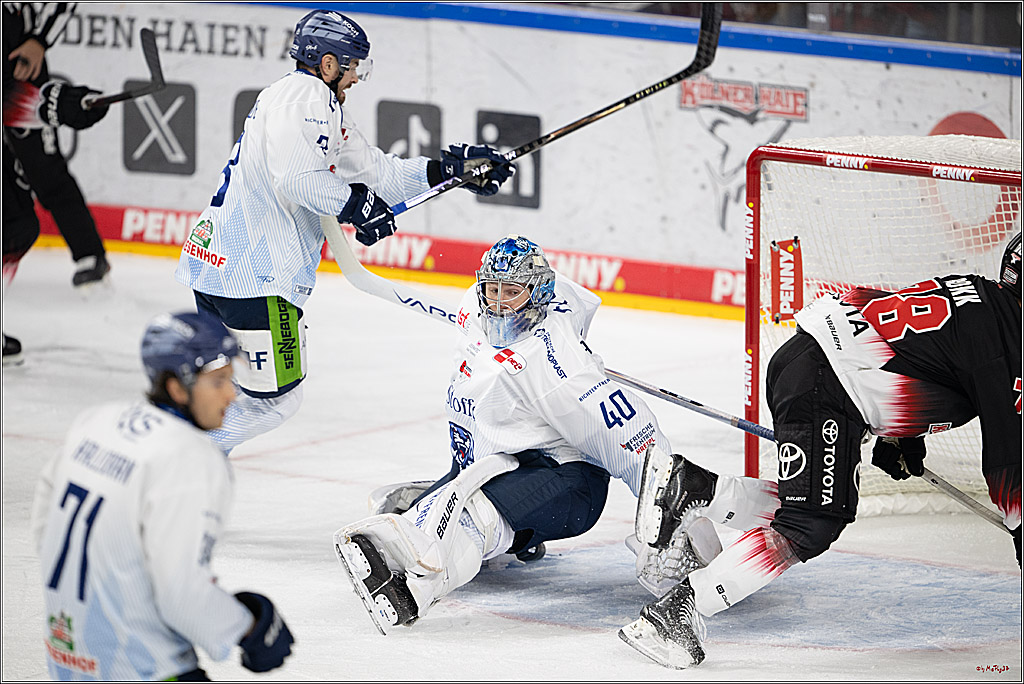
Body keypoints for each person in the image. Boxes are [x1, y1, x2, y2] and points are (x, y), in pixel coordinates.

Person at [618, 231, 1023, 669]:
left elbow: (916, 348)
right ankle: (675, 613)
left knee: (811, 501)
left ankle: (696, 488)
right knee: (812, 524)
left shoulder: (978, 293)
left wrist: (900, 436)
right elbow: (1010, 459)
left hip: (805, 360)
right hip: (827, 388)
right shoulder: (1010, 342)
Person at [332, 234, 745, 636]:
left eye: (510, 292)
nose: (497, 303)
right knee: (436, 509)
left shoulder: (562, 375)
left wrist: (684, 535)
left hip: (568, 484)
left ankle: (418, 591)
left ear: (537, 292)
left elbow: (640, 445)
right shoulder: (473, 309)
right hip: (509, 460)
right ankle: (473, 521)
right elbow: (573, 300)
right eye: (490, 290)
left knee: (474, 519)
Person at [173, 9, 516, 454]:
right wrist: (356, 204)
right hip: (254, 278)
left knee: (222, 386)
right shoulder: (306, 98)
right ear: (329, 63)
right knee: (273, 402)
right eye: (355, 66)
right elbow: (297, 180)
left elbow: (377, 173)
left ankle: (178, 460)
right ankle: (186, 460)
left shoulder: (314, 105)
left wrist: (446, 170)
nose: (357, 77)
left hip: (220, 267)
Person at [30, 311, 294, 680]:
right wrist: (248, 630)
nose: (232, 394)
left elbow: (46, 529)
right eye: (218, 381)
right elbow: (181, 593)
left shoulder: (95, 423)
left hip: (68, 660)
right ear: (176, 387)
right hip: (144, 666)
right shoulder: (190, 458)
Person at [3, 1, 111, 366]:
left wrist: (38, 41)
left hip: (21, 73)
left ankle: (88, 253)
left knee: (41, 179)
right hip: (17, 87)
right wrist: (57, 104)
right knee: (16, 223)